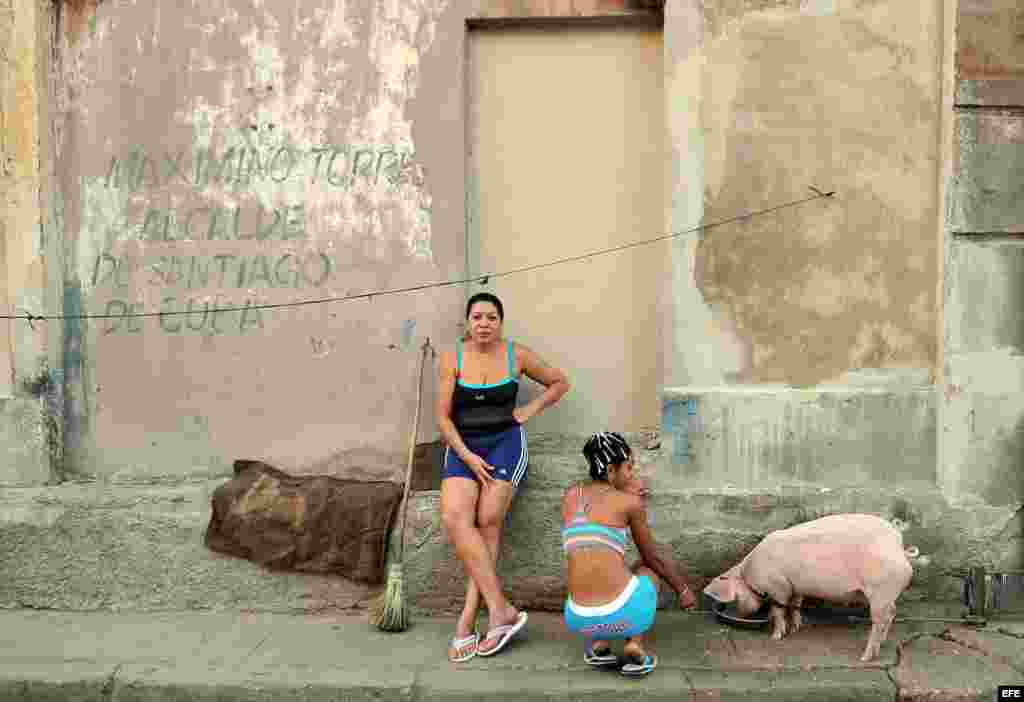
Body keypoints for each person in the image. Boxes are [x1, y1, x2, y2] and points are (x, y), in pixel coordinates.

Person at [438, 292, 570, 662]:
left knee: (488, 520)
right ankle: (499, 609)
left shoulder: (518, 355)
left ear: (500, 322)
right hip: (464, 447)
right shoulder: (452, 358)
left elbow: (560, 382)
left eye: (491, 317)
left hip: (505, 446)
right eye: (477, 317)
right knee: (454, 517)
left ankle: (468, 620)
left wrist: (530, 408)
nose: (483, 323)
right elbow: (444, 418)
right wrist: (467, 456)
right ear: (468, 322)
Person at [562, 432, 697, 677]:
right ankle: (635, 643)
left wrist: (626, 491)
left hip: (576, 615)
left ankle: (598, 643)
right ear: (612, 470)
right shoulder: (629, 504)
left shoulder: (571, 497)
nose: (632, 474)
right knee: (646, 570)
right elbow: (651, 558)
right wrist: (682, 589)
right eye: (629, 467)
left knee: (606, 569)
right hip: (619, 613)